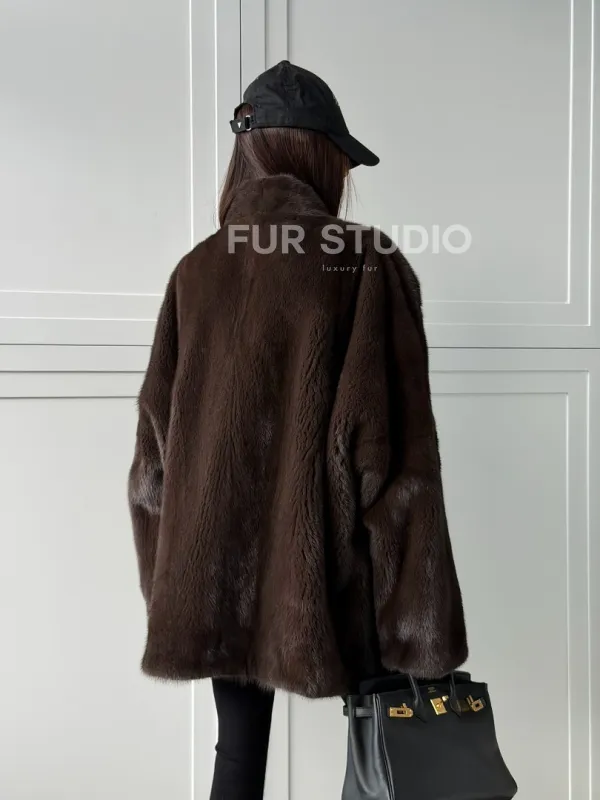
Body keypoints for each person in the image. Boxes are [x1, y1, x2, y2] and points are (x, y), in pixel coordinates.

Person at [127, 60, 468, 800]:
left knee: (237, 757)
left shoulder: (195, 272)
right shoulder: (364, 263)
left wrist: (176, 590)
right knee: (392, 762)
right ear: (318, 155)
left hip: (214, 578)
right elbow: (397, 469)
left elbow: (152, 472)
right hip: (341, 577)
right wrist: (420, 633)